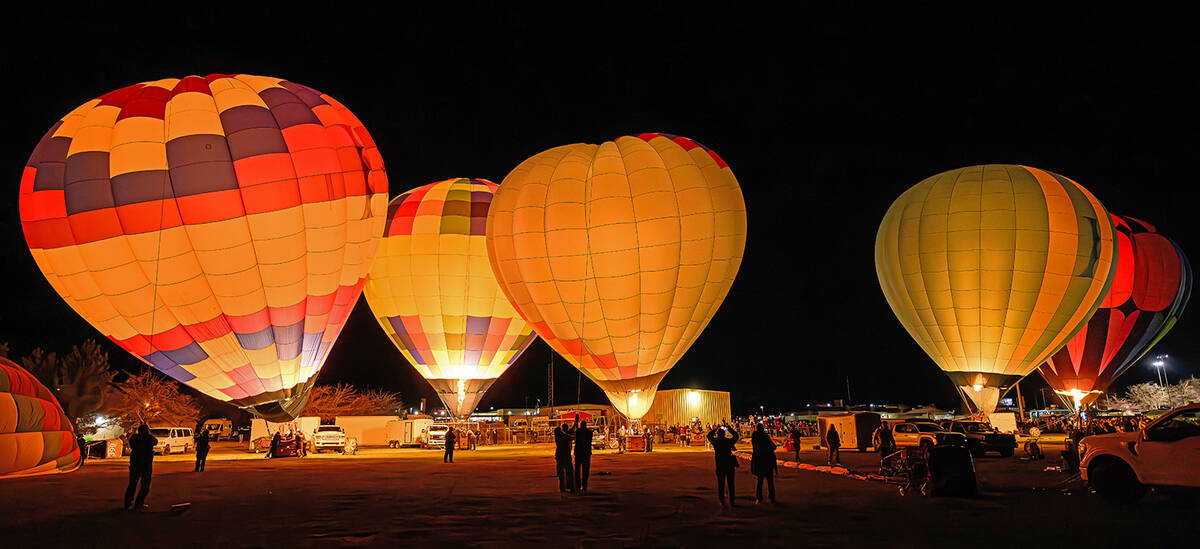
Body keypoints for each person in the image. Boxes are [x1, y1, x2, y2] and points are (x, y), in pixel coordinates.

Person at [124, 425, 157, 511]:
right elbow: (155, 441)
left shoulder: (134, 438)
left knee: (132, 484)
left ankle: (127, 503)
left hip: (135, 464)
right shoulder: (149, 438)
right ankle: (139, 503)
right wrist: (149, 434)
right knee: (145, 485)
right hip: (145, 465)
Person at [707, 422, 740, 508]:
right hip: (729, 464)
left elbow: (709, 436)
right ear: (724, 434)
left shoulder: (716, 442)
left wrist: (715, 429)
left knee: (721, 484)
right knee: (731, 484)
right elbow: (736, 436)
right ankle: (732, 501)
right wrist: (728, 428)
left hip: (720, 464)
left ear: (717, 434)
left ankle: (721, 500)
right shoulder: (728, 441)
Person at [750, 423, 777, 504]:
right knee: (770, 481)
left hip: (759, 462)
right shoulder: (765, 437)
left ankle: (759, 497)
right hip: (767, 461)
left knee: (760, 481)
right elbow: (773, 446)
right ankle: (771, 497)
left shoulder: (755, 437)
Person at [554, 417, 577, 493]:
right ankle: (571, 487)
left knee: (561, 474)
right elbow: (571, 436)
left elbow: (572, 430)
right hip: (565, 456)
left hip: (559, 456)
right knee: (569, 472)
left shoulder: (560, 436)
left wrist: (575, 422)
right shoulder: (563, 436)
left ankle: (563, 488)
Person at [574, 419, 593, 493]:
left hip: (579, 453)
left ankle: (578, 486)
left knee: (577, 471)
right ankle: (584, 486)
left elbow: (576, 431)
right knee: (586, 471)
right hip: (586, 453)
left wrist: (576, 420)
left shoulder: (578, 431)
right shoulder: (589, 432)